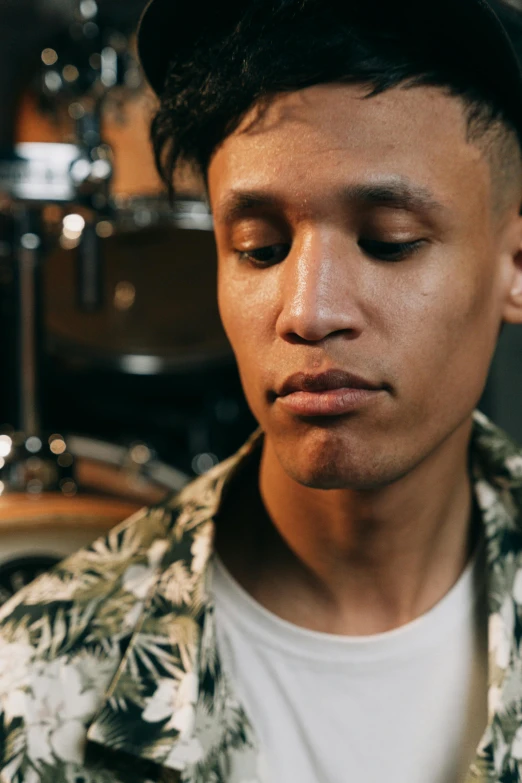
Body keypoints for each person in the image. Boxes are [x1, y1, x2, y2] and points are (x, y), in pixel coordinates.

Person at [2, 0, 522, 781]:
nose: (308, 311)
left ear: (514, 266)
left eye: (388, 243)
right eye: (260, 249)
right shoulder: (37, 684)